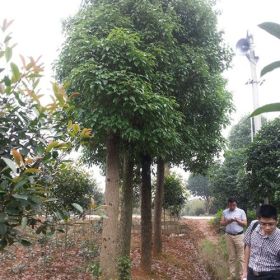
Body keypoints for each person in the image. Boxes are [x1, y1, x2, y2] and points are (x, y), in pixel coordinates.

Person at [242, 204, 280, 280]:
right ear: (259, 220)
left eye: (271, 224)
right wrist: (245, 271)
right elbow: (248, 246)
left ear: (277, 221)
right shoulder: (253, 225)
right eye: (263, 224)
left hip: (271, 275)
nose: (267, 227)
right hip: (251, 273)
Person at [221, 198, 247, 280]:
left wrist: (238, 220)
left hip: (239, 236)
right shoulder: (225, 212)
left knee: (241, 257)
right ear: (228, 205)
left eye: (234, 205)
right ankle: (232, 275)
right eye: (231, 205)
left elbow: (245, 224)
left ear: (236, 204)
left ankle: (242, 276)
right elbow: (221, 223)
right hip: (229, 236)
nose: (232, 206)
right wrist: (228, 221)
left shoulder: (241, 211)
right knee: (231, 257)